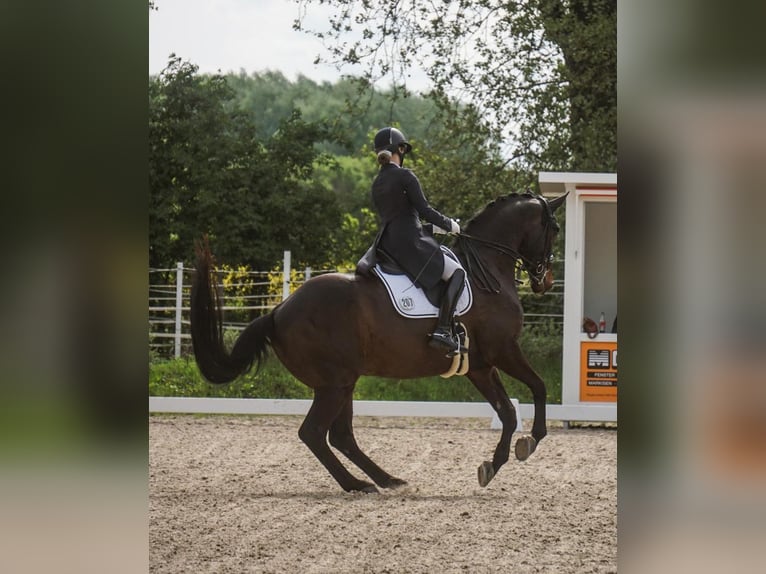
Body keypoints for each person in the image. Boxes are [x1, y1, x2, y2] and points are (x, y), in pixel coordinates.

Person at [369, 126, 465, 355]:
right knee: (457, 273)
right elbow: (423, 209)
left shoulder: (377, 182)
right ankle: (443, 330)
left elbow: (400, 219)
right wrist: (449, 224)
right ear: (399, 149)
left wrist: (432, 230)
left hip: (387, 244)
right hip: (410, 244)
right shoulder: (405, 175)